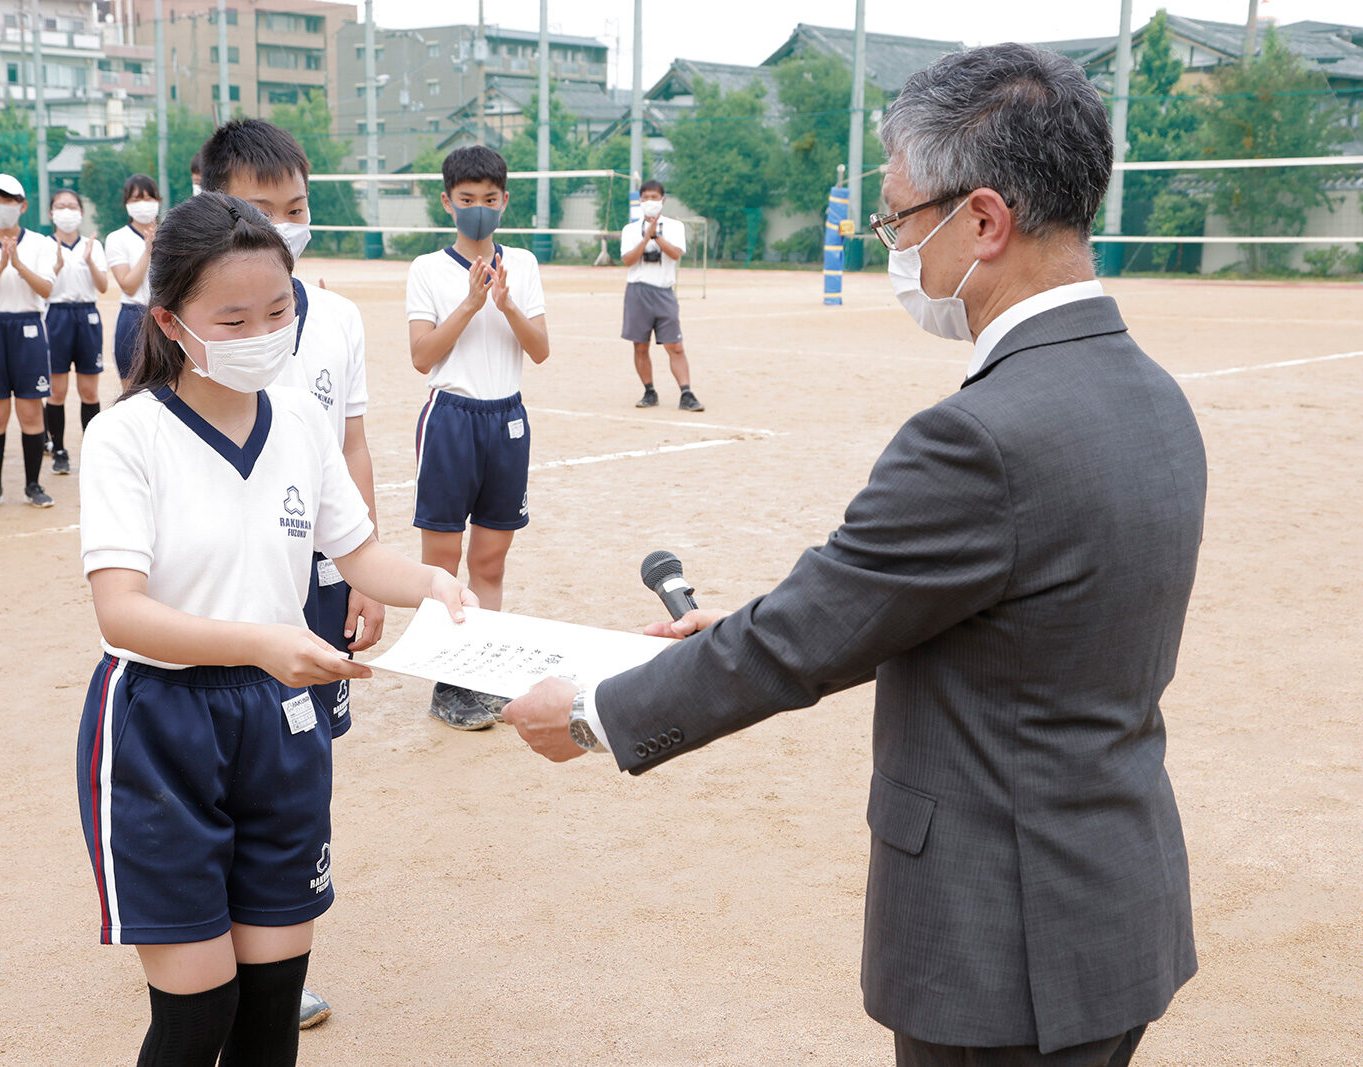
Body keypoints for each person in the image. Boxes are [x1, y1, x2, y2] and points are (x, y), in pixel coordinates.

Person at [504, 44, 1204, 1067]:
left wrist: (589, 710)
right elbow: (978, 605)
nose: (894, 246)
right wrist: (753, 619)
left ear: (983, 220)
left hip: (998, 949)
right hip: (1109, 908)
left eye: (898, 218)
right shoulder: (1153, 396)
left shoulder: (979, 433)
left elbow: (800, 639)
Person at [76, 191, 476, 1066]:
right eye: (234, 316)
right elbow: (122, 611)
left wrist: (432, 583)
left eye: (279, 311)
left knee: (269, 1009)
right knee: (197, 1012)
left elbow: (360, 555)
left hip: (282, 720)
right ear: (172, 323)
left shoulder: (297, 418)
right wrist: (264, 641)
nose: (263, 330)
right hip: (160, 726)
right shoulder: (125, 438)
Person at [198, 115, 383, 1032]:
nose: (283, 224)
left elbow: (352, 442)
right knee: (215, 760)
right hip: (223, 586)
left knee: (299, 762)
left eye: (297, 207)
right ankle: (201, 938)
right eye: (257, 208)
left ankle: (274, 945)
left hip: (315, 572)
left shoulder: (340, 317)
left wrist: (367, 576)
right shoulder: (184, 318)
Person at [406, 144, 549, 731]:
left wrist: (506, 301)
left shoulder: (524, 264)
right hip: (451, 420)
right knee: (443, 559)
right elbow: (422, 357)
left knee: (490, 560)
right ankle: (449, 681)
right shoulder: (427, 269)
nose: (480, 210)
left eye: (490, 200)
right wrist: (469, 302)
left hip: (506, 421)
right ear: (448, 203)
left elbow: (538, 349)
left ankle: (480, 676)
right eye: (467, 200)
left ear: (505, 201)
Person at [0, 173, 57, 509]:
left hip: (28, 326)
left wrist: (17, 264)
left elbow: (47, 289)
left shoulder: (41, 243)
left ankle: (33, 486)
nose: (1, 207)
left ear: (23, 205)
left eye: (8, 200)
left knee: (31, 412)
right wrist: (2, 262)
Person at [621, 180, 701, 411]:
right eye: (645, 197)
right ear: (640, 200)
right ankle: (649, 391)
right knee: (640, 345)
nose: (650, 202)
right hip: (637, 290)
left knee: (675, 345)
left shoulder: (675, 227)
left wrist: (657, 236)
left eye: (654, 197)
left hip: (664, 291)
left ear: (663, 200)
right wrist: (645, 237)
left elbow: (675, 254)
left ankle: (686, 393)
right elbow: (628, 260)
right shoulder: (630, 229)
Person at [44, 189, 108, 476]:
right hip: (56, 315)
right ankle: (58, 449)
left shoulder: (93, 245)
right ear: (51, 213)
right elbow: (41, 286)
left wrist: (90, 260)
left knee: (88, 390)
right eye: (60, 206)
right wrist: (55, 265)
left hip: (86, 315)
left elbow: (104, 286)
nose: (66, 211)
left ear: (81, 213)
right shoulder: (43, 245)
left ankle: (90, 450)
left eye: (72, 206)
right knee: (56, 391)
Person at [104, 175, 160, 389]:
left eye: (148, 198)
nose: (143, 205)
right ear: (126, 204)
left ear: (158, 201)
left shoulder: (172, 233)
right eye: (136, 199)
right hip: (133, 316)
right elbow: (128, 284)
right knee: (132, 390)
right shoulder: (117, 239)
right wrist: (148, 251)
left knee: (169, 388)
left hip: (165, 314)